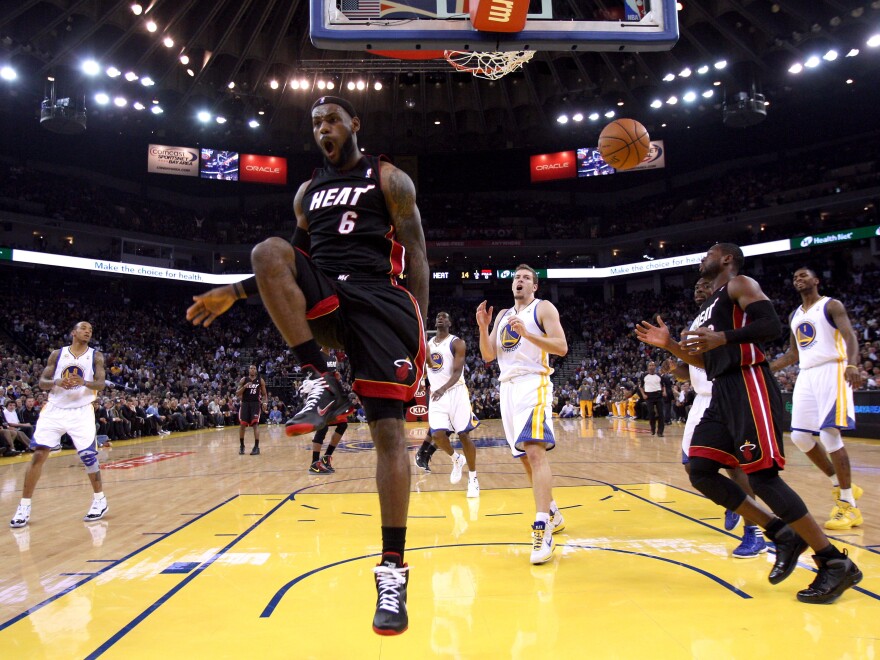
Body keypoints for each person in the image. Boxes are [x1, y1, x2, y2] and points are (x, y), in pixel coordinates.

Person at [186, 95, 428, 635]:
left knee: (389, 438)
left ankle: (393, 570)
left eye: (332, 120)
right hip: (329, 297)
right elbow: (289, 266)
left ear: (353, 125)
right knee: (268, 252)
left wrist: (419, 338)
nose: (323, 128)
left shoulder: (390, 181)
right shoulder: (306, 192)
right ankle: (323, 380)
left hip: (383, 305)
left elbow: (419, 257)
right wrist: (238, 291)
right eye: (316, 122)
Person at [636, 244, 862, 604]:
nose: (701, 257)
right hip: (721, 388)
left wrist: (724, 337)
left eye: (707, 252)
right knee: (700, 468)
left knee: (762, 476)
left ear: (726, 258)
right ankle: (780, 532)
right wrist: (671, 346)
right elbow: (703, 362)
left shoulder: (740, 284)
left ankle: (833, 561)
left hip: (748, 383)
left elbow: (770, 325)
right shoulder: (709, 307)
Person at [651, 278, 767, 558]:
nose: (698, 288)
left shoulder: (727, 315)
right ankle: (734, 500)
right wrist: (674, 367)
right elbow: (692, 370)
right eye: (695, 286)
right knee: (692, 467)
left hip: (724, 396)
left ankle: (755, 533)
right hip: (701, 401)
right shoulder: (692, 325)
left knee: (737, 468)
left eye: (704, 284)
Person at [476, 264, 568, 565]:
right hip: (508, 389)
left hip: (534, 382)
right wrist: (483, 327)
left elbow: (562, 347)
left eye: (526, 278)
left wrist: (527, 334)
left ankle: (542, 528)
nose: (520, 281)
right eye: (516, 277)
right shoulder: (502, 315)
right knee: (525, 458)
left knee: (535, 451)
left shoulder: (543, 308)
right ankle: (552, 510)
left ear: (534, 286)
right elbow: (489, 356)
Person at [770, 267, 865, 530]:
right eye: (794, 277)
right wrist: (764, 368)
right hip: (807, 373)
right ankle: (842, 484)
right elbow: (793, 354)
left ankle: (848, 506)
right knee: (800, 437)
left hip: (832, 368)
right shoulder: (794, 315)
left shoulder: (831, 305)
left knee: (829, 434)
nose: (798, 279)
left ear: (816, 280)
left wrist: (853, 364)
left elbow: (849, 336)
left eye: (803, 275)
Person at [9, 322, 110, 528]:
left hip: (81, 410)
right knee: (39, 454)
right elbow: (42, 382)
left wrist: (83, 382)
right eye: (83, 329)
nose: (88, 331)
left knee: (88, 456)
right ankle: (24, 505)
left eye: (90, 329)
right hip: (55, 408)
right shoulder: (57, 354)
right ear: (73, 332)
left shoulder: (95, 356)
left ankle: (100, 500)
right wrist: (57, 382)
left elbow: (100, 384)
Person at [424, 311, 480, 497]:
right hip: (437, 396)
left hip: (455, 392)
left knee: (463, 435)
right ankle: (456, 459)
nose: (440, 317)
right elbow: (431, 368)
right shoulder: (428, 345)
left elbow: (456, 373)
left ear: (450, 322)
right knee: (438, 435)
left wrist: (442, 389)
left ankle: (473, 479)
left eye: (444, 316)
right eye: (438, 316)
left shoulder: (457, 343)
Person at [236, 364, 267, 456]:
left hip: (255, 404)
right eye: (251, 368)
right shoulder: (243, 380)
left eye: (254, 368)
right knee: (242, 425)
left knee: (255, 424)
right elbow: (237, 393)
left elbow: (264, 394)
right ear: (249, 370)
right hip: (245, 404)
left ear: (256, 371)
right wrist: (245, 386)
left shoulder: (260, 380)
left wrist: (265, 403)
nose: (252, 370)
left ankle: (256, 447)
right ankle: (242, 445)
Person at [639, 361, 665, 436]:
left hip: (658, 395)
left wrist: (664, 391)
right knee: (651, 413)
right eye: (650, 365)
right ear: (648, 367)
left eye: (653, 365)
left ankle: (660, 431)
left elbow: (663, 385)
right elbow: (640, 387)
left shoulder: (659, 375)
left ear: (655, 367)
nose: (651, 367)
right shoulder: (644, 375)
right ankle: (652, 429)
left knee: (661, 413)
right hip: (649, 396)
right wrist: (643, 394)